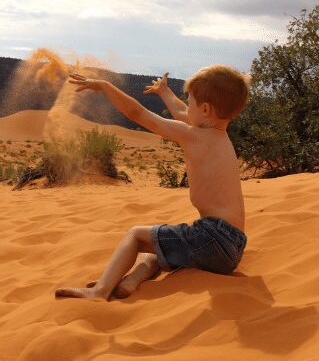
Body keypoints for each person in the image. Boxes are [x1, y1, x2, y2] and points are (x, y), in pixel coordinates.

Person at [55, 66, 249, 300]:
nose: (187, 108)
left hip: (211, 238)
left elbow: (139, 114)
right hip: (233, 247)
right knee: (158, 248)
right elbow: (182, 112)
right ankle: (131, 280)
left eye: (192, 102)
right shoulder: (219, 136)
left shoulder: (194, 136)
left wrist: (106, 87)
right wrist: (164, 92)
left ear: (206, 109)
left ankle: (100, 290)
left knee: (137, 235)